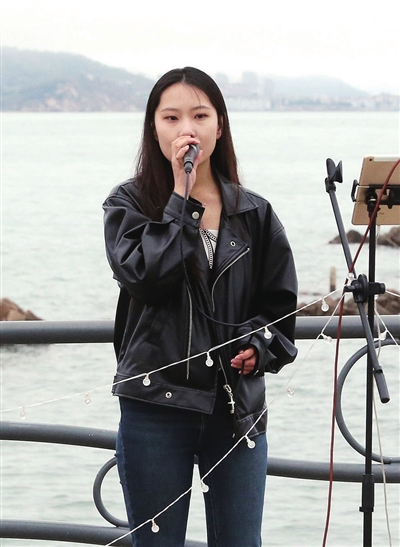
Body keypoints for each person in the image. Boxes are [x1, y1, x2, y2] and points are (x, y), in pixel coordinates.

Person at [103, 67, 298, 547]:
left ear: (220, 126)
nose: (186, 129)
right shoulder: (128, 204)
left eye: (200, 115)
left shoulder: (254, 212)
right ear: (154, 128)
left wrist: (260, 347)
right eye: (171, 117)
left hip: (235, 409)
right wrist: (180, 197)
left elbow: (280, 309)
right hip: (155, 404)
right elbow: (146, 278)